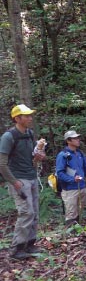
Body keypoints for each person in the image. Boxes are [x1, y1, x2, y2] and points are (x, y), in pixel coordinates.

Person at [0, 104, 46, 260]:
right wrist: (14, 182)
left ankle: (30, 244)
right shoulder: (9, 136)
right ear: (17, 118)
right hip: (19, 180)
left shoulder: (29, 134)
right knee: (26, 212)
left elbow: (33, 157)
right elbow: (2, 163)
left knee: (35, 213)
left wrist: (39, 157)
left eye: (30, 115)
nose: (30, 118)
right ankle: (16, 249)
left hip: (31, 177)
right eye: (26, 116)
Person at [56, 130, 86, 227]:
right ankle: (71, 233)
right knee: (71, 212)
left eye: (78, 138)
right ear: (68, 141)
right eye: (75, 138)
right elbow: (60, 173)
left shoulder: (80, 153)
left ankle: (78, 232)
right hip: (69, 189)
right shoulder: (63, 155)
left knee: (80, 210)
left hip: (81, 186)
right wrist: (72, 179)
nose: (78, 140)